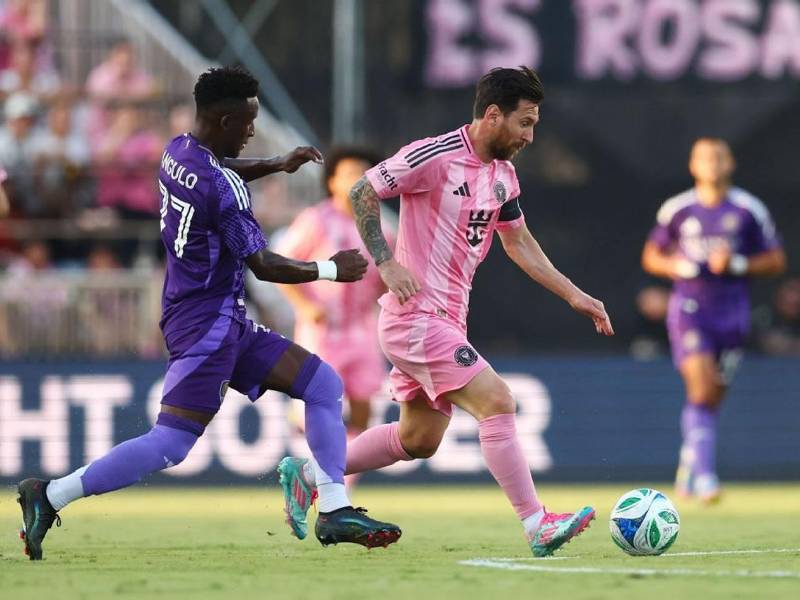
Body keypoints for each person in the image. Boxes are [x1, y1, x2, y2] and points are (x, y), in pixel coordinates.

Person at [16, 66, 401, 561]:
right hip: (208, 327)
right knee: (170, 443)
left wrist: (275, 164)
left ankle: (333, 508)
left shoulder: (177, 151)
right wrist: (330, 268)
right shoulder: (224, 189)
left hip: (213, 314)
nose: (252, 130)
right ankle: (50, 495)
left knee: (322, 384)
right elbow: (263, 264)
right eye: (248, 121)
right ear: (223, 121)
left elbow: (218, 171)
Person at [278, 66, 614, 557]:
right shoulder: (434, 156)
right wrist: (386, 262)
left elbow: (518, 242)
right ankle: (536, 523)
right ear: (493, 115)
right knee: (498, 401)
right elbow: (361, 191)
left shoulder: (503, 176)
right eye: (525, 123)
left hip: (448, 320)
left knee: (419, 438)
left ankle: (310, 474)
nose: (530, 136)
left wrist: (574, 295)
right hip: (416, 318)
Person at [641, 137, 786, 503]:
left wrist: (737, 263)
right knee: (701, 389)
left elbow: (775, 260)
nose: (712, 164)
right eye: (704, 158)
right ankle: (706, 477)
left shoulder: (748, 209)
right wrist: (677, 266)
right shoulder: (678, 209)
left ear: (730, 163)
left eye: (719, 157)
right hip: (691, 309)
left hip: (733, 314)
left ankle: (690, 458)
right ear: (693, 165)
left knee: (711, 398)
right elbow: (652, 256)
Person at [276, 147, 391, 489]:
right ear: (333, 182)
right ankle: (315, 474)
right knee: (319, 403)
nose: (358, 180)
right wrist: (305, 304)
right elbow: (281, 265)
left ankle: (339, 487)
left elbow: (388, 276)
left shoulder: (380, 227)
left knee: (363, 407)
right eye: (350, 173)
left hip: (362, 329)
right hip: (322, 330)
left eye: (364, 174)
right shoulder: (316, 220)